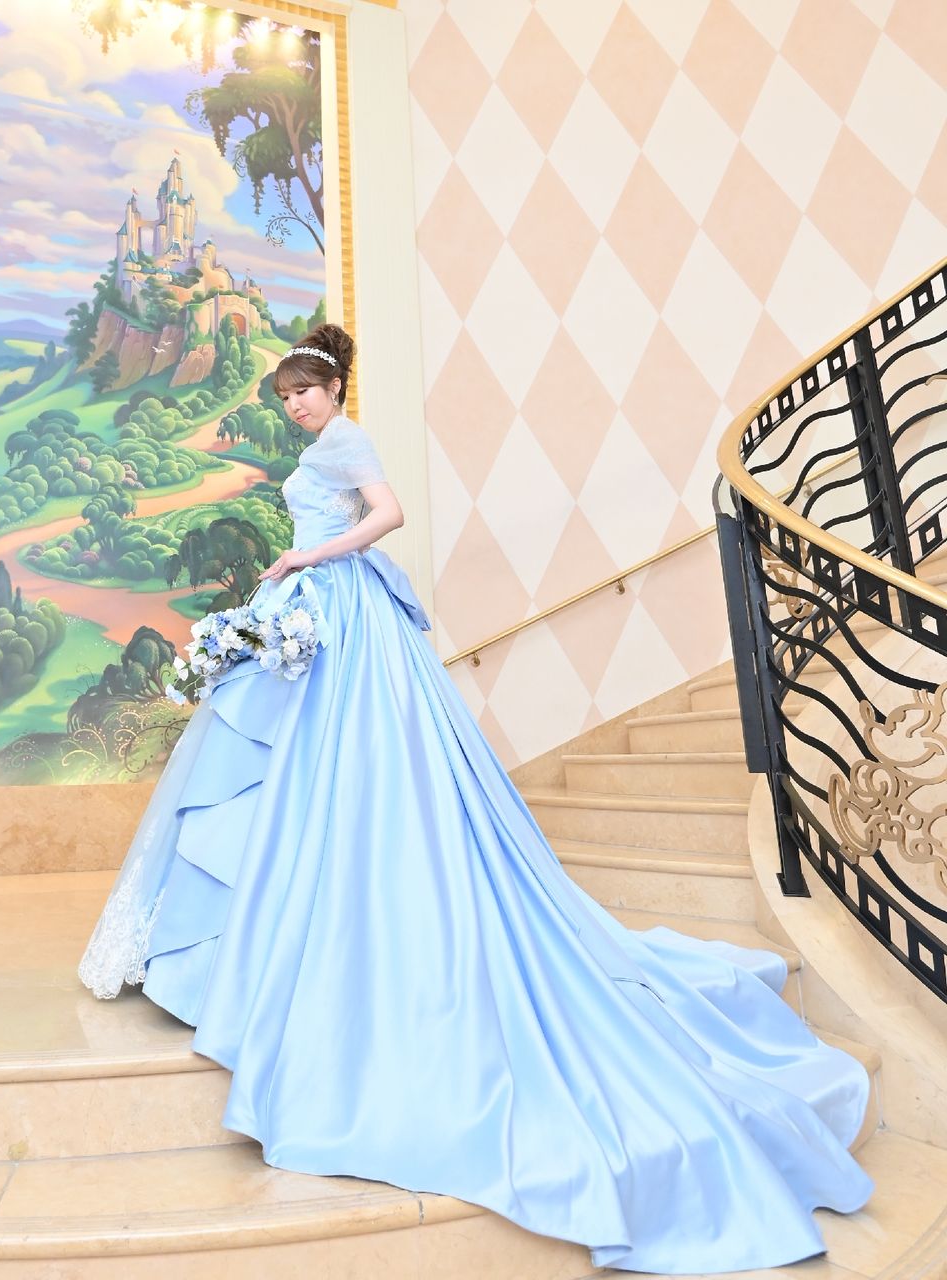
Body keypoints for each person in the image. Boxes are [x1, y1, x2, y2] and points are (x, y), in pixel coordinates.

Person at [78, 323, 873, 1274]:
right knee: (292, 763)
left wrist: (310, 560)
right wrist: (301, 570)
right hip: (323, 607)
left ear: (334, 391)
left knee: (354, 761)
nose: (295, 406)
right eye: (285, 396)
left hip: (341, 603)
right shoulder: (324, 444)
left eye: (304, 392)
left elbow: (388, 514)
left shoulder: (349, 439)